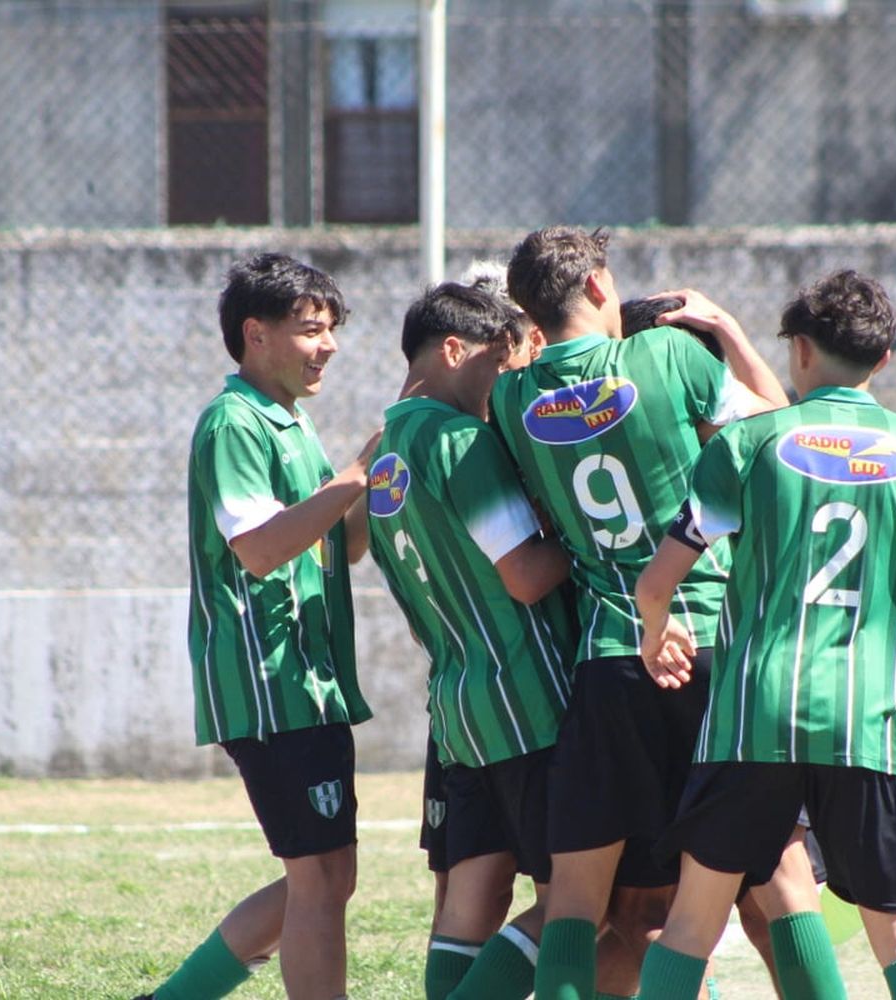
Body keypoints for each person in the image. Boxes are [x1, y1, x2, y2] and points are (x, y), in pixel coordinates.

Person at [631, 269, 896, 1000]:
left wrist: (655, 634)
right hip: (867, 722)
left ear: (800, 352)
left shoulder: (748, 444)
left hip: (754, 719)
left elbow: (656, 583)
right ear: (883, 361)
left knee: (693, 923)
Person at [489, 225, 794, 1000]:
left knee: (581, 899)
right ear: (597, 286)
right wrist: (721, 327)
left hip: (610, 659)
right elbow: (780, 427)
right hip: (713, 645)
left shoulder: (512, 395)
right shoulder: (668, 357)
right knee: (777, 882)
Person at [134, 252, 378, 1000]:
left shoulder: (292, 424)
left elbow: (343, 545)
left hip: (307, 681)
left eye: (331, 328)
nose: (328, 345)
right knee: (318, 876)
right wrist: (354, 477)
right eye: (310, 329)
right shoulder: (235, 422)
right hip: (268, 682)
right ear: (255, 333)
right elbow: (263, 548)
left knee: (328, 874)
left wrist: (377, 486)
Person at [365, 280, 578, 1000]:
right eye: (495, 362)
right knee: (575, 901)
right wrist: (593, 542)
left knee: (471, 897)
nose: (501, 381)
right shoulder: (459, 441)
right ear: (454, 350)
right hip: (527, 701)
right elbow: (525, 576)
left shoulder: (386, 452)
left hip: (460, 710)